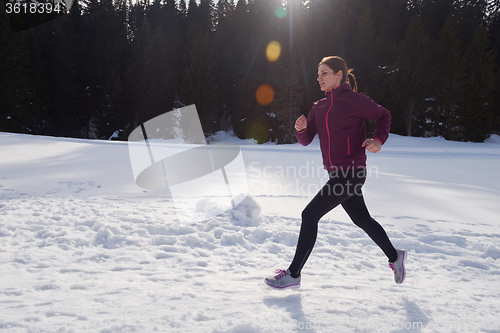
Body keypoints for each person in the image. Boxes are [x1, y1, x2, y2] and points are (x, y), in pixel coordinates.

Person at [265, 56, 406, 289]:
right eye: (318, 74)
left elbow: (384, 116)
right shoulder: (318, 107)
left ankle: (294, 274)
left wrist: (378, 139)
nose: (319, 78)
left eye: (324, 73)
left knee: (309, 215)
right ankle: (395, 256)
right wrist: (300, 130)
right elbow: (306, 139)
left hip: (352, 173)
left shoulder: (353, 100)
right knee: (362, 219)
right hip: (336, 174)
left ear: (339, 74)